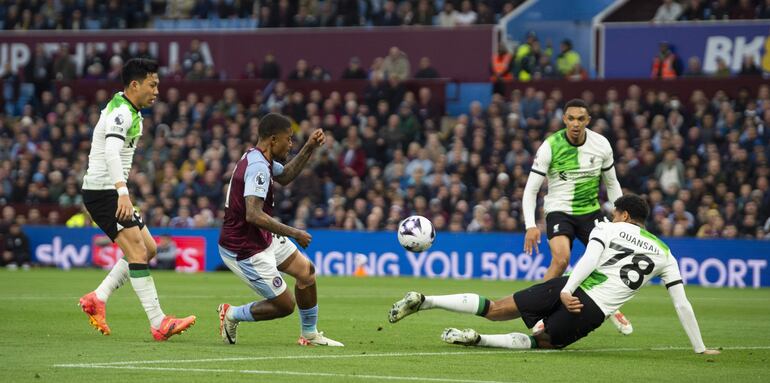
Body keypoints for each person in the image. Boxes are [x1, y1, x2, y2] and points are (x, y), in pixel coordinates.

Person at [389, 195, 720, 355]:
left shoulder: (610, 228)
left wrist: (566, 288)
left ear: (624, 214)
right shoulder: (665, 253)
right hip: (591, 309)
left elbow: (590, 258)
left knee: (495, 308)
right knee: (543, 343)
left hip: (567, 286)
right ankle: (479, 341)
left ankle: (426, 301)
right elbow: (682, 305)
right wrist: (700, 348)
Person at [78, 58, 196, 341]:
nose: (157, 91)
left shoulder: (127, 108)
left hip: (108, 190)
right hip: (104, 191)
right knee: (137, 254)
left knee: (149, 249)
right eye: (152, 85)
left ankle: (98, 297)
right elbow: (110, 152)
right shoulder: (122, 113)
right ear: (135, 84)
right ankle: (159, 322)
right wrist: (122, 192)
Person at [217, 113, 343, 347]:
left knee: (306, 272)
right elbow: (252, 214)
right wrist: (294, 232)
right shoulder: (258, 167)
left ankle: (309, 334)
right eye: (289, 139)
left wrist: (309, 147)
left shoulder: (258, 158)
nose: (291, 143)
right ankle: (232, 314)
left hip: (260, 237)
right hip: (244, 248)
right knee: (285, 305)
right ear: (273, 140)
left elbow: (284, 175)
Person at [521, 98, 631, 334]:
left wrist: (622, 215)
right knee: (561, 260)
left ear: (588, 121)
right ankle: (537, 312)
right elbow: (531, 190)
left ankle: (610, 307)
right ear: (564, 119)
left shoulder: (601, 145)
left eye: (581, 119)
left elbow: (612, 184)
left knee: (610, 259)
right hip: (559, 210)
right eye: (571, 118)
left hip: (590, 212)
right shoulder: (550, 146)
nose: (575, 123)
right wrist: (531, 225)